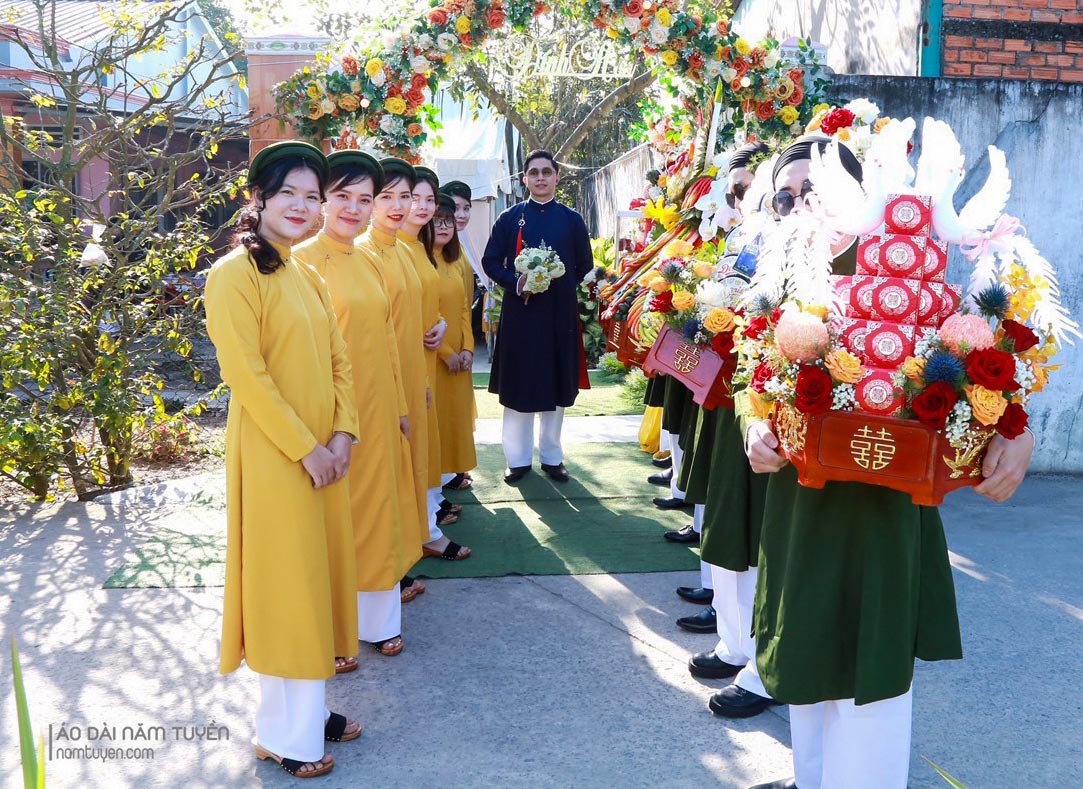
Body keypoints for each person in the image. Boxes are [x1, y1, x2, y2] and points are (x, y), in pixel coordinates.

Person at [742, 137, 1036, 789]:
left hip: (885, 507)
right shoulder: (787, 279)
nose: (797, 207)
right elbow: (752, 376)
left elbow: (989, 359)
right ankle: (809, 779)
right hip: (801, 503)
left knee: (870, 666)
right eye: (783, 196)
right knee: (806, 647)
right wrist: (754, 424)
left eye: (810, 193)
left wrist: (1016, 431)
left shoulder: (920, 272)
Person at [204, 141, 361, 778]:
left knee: (313, 582)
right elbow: (249, 377)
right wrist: (308, 448)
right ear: (258, 198)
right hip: (276, 458)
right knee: (285, 589)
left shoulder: (309, 275)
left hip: (326, 456)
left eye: (311, 197)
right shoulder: (233, 275)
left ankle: (306, 710)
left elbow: (339, 364)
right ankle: (285, 736)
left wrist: (344, 435)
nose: (302, 206)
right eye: (289, 194)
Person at [294, 150, 421, 661]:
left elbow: (387, 338)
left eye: (363, 199)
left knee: (378, 515)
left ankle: (379, 622)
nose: (353, 208)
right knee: (337, 521)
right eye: (342, 196)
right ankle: (337, 631)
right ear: (323, 199)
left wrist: (400, 406)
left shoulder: (369, 258)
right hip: (331, 419)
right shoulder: (301, 260)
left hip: (380, 410)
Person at [682, 143, 780, 719]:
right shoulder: (741, 240)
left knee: (764, 538)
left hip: (770, 412)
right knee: (730, 528)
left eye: (751, 190)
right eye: (739, 191)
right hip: (730, 399)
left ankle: (765, 661)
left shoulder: (810, 249)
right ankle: (736, 640)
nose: (744, 200)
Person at [481, 150, 594, 484]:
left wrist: (556, 280)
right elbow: (491, 262)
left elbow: (584, 264)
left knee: (556, 384)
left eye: (547, 172)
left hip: (559, 317)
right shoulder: (510, 218)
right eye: (534, 173)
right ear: (524, 179)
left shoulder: (572, 220)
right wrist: (518, 282)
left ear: (557, 177)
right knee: (519, 385)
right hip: (521, 317)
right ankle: (516, 460)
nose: (541, 178)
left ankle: (552, 457)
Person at [357, 159, 435, 600]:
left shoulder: (405, 249)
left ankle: (403, 558)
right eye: (385, 196)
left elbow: (409, 320)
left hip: (411, 377)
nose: (397, 205)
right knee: (385, 480)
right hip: (381, 386)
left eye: (403, 196)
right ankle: (386, 572)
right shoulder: (365, 252)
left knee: (409, 473)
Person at [398, 164, 472, 561]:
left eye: (429, 198)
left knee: (425, 448)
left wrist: (442, 326)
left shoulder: (420, 250)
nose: (421, 206)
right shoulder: (392, 248)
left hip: (423, 363)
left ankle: (426, 525)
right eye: (414, 197)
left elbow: (444, 306)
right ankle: (421, 529)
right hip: (404, 365)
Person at [432, 193, 479, 491]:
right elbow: (426, 312)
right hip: (435, 356)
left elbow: (464, 307)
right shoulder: (422, 261)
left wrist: (468, 349)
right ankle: (437, 487)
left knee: (455, 418)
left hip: (459, 356)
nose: (445, 226)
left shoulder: (453, 258)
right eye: (437, 221)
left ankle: (450, 474)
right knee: (436, 420)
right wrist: (447, 353)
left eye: (447, 220)